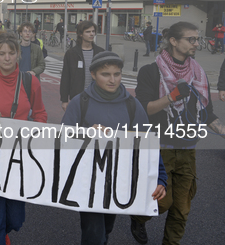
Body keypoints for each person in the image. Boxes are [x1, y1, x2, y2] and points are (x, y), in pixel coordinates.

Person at [130, 22, 225, 245]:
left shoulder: (198, 73)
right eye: (191, 39)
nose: (196, 43)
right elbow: (144, 109)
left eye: (197, 39)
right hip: (159, 148)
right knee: (162, 203)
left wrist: (222, 130)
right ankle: (138, 217)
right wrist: (171, 97)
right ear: (174, 41)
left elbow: (208, 113)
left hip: (187, 148)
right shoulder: (150, 71)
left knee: (182, 208)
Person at [62, 51, 167, 245]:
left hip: (118, 181)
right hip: (87, 181)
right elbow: (62, 143)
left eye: (116, 74)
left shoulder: (132, 105)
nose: (112, 80)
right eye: (105, 74)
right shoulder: (79, 102)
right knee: (94, 234)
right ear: (93, 75)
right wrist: (85, 134)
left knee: (106, 229)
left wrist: (161, 176)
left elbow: (148, 144)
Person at [0, 32, 47, 245]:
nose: (7, 58)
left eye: (11, 53)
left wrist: (36, 133)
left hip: (20, 158)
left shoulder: (30, 82)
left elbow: (40, 113)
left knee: (16, 218)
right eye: (2, 53)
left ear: (18, 55)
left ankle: (2, 231)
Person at [60, 20, 104, 111]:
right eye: (88, 32)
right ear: (80, 34)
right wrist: (64, 100)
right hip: (78, 97)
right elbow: (65, 77)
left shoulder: (100, 52)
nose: (91, 34)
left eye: (93, 31)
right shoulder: (72, 53)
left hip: (97, 96)